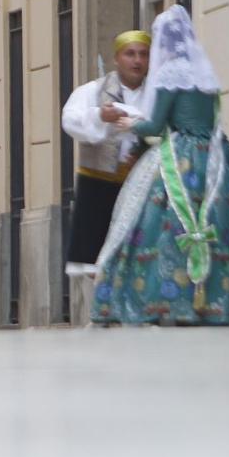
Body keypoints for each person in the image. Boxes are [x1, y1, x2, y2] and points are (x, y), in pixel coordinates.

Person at [92, 5, 229, 326]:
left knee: (159, 227)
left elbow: (155, 126)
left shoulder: (170, 78)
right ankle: (228, 302)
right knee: (224, 226)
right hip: (217, 157)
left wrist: (128, 124)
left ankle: (170, 302)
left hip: (179, 159)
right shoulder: (206, 77)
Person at [60, 27, 153, 274]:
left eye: (143, 54)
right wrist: (100, 115)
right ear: (117, 58)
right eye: (130, 54)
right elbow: (70, 119)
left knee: (140, 252)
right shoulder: (93, 90)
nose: (137, 61)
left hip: (142, 181)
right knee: (95, 257)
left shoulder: (156, 93)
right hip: (101, 179)